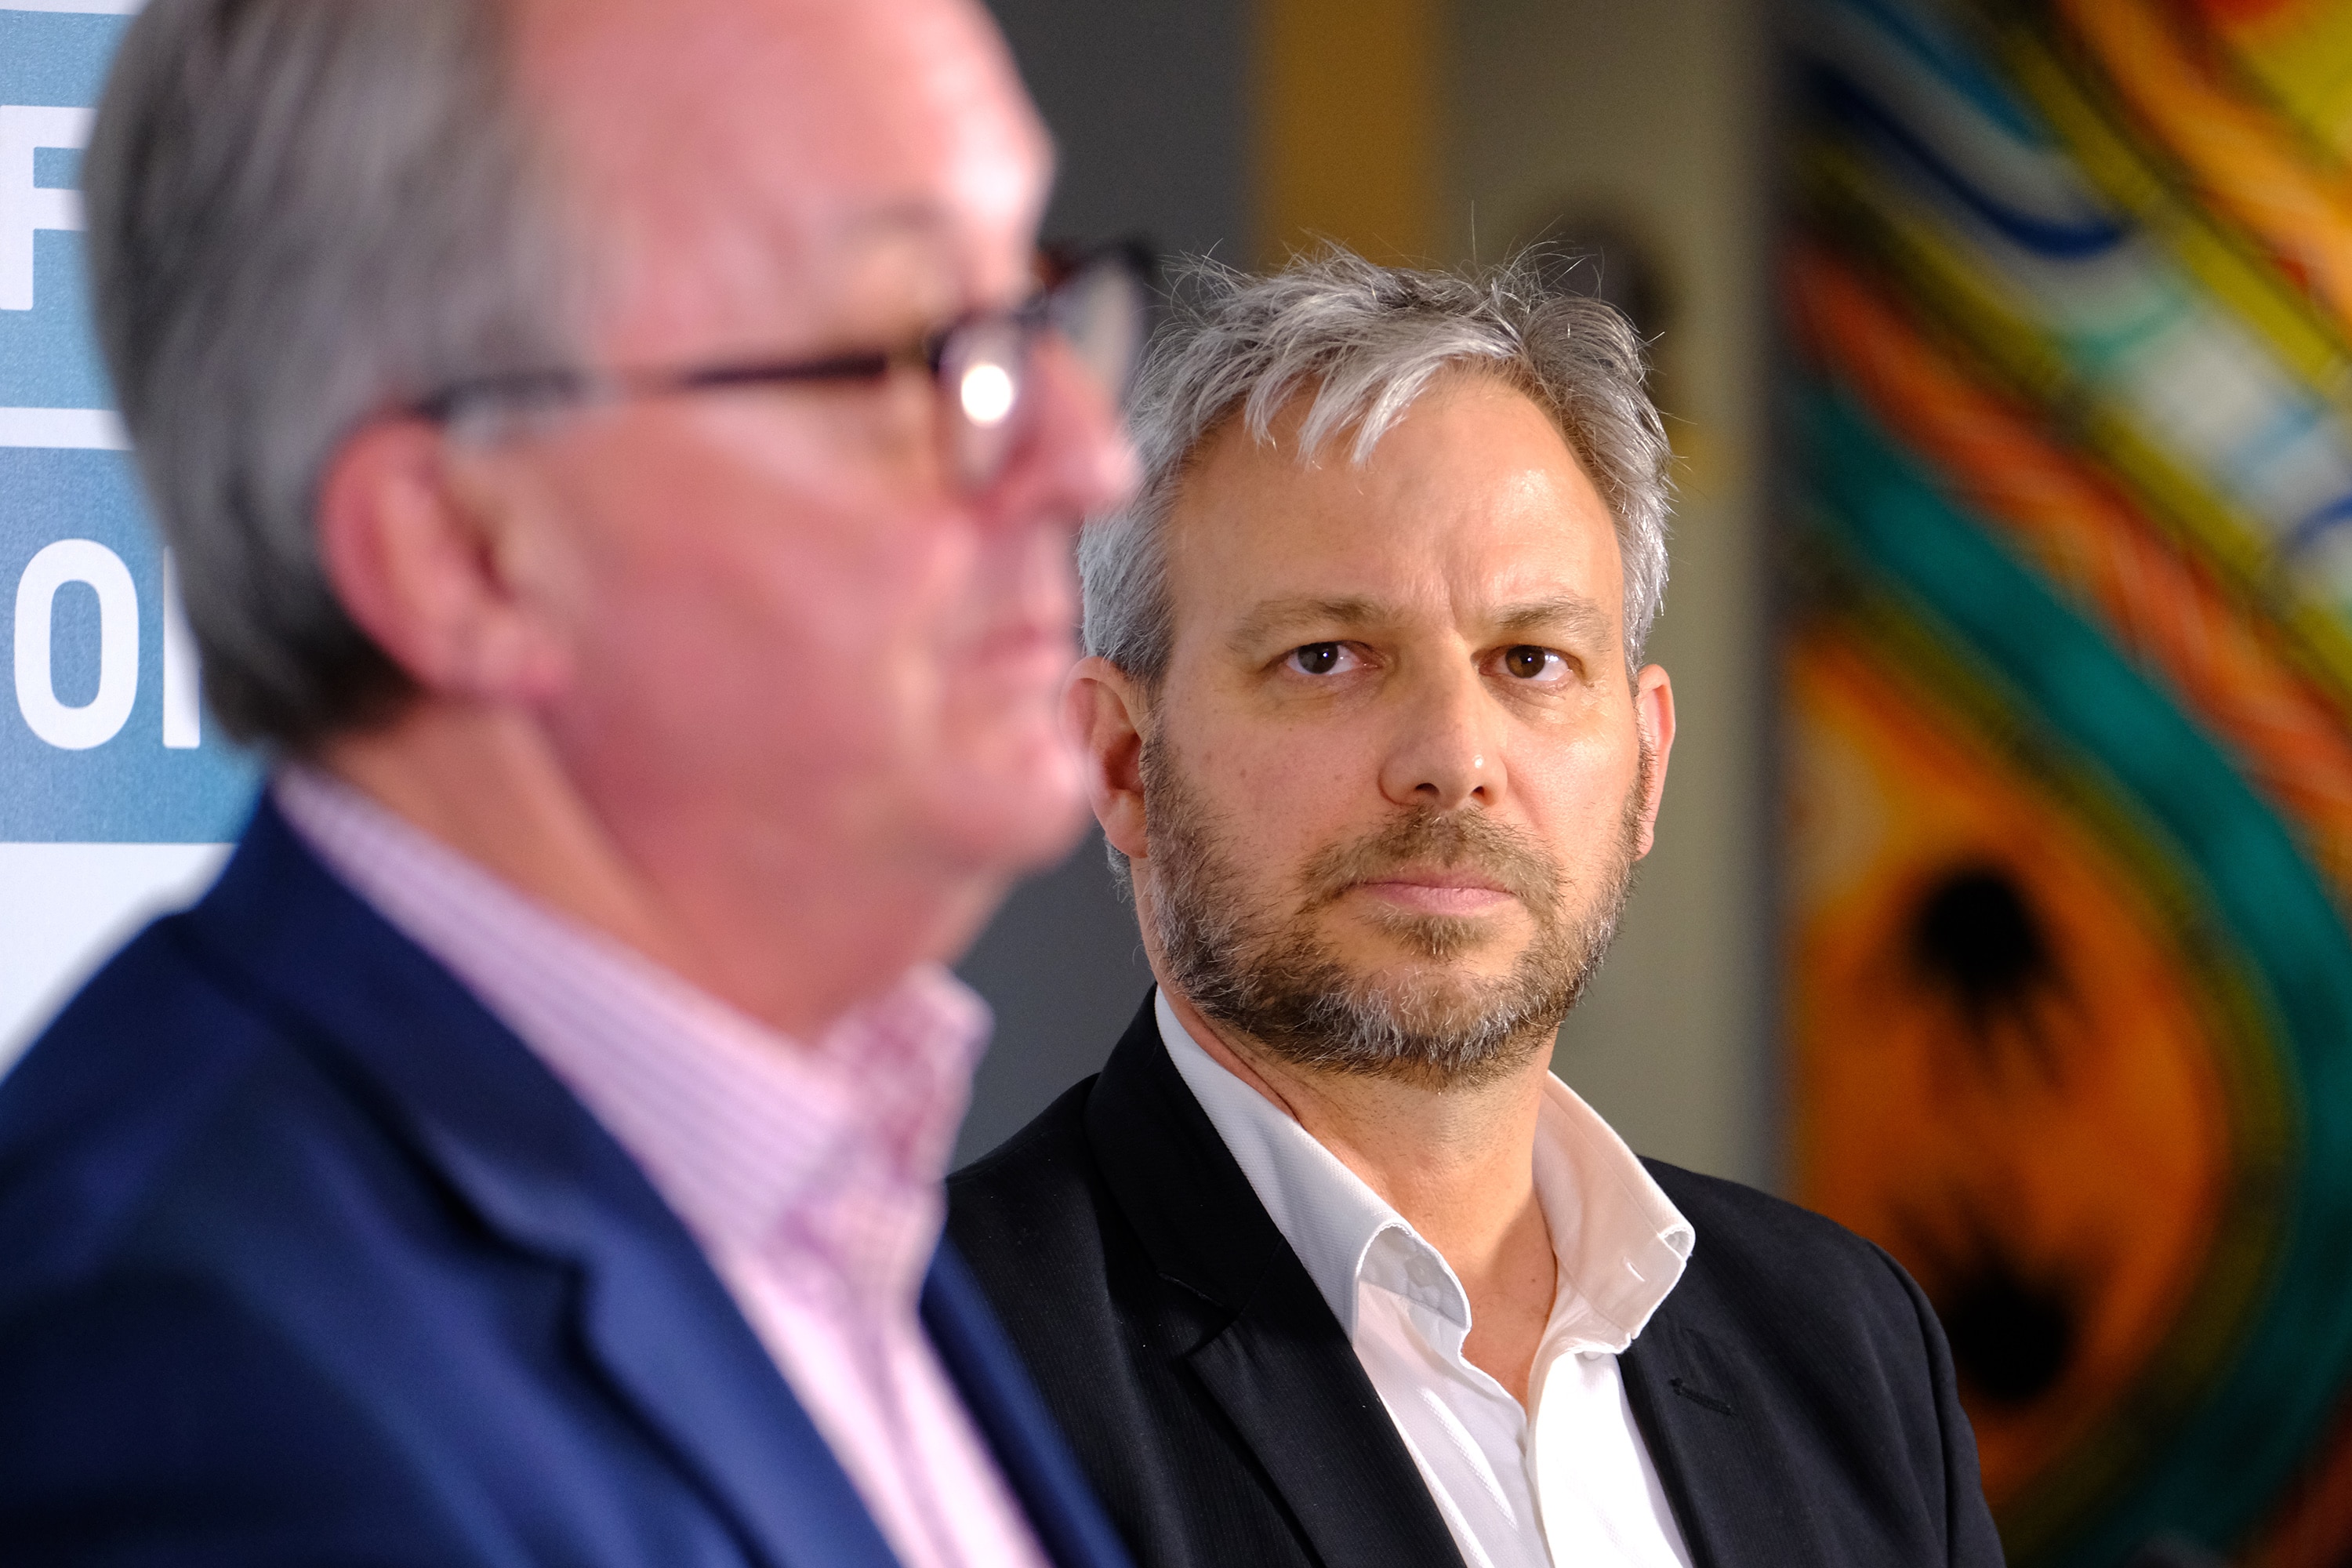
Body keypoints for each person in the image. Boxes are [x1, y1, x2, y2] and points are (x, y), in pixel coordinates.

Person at [0, 0, 1145, 1564]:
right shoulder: (196, 1381)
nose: (1088, 460)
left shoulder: (817, 1190)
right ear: (463, 551)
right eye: (918, 349)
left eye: (1035, 310)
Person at [948, 250, 2005, 1568]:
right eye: (1327, 657)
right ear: (1122, 762)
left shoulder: (1846, 1344)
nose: (1454, 756)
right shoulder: (939, 1373)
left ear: (1646, 763)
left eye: (1532, 660)